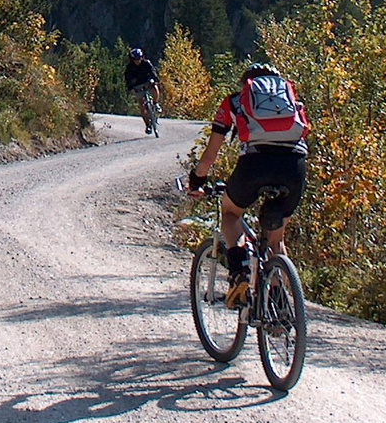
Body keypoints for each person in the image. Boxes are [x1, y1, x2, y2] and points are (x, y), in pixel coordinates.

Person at [184, 63, 308, 307]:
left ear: (247, 85)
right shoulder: (293, 104)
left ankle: (240, 269)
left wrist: (197, 180)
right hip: (294, 167)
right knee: (276, 239)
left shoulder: (234, 102)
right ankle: (279, 300)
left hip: (254, 165)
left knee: (230, 212)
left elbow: (209, 156)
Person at [123, 46, 163, 136]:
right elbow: (128, 80)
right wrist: (131, 89)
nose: (138, 61)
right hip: (137, 86)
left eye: (139, 58)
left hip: (147, 82)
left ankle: (156, 103)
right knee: (142, 104)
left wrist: (153, 80)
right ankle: (148, 125)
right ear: (132, 59)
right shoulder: (129, 68)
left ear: (142, 57)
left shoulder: (147, 63)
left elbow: (154, 73)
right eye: (135, 59)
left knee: (155, 87)